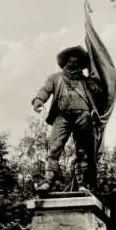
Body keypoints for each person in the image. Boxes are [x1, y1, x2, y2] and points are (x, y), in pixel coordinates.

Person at [32, 45, 106, 192]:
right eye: (71, 59)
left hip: (83, 116)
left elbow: (101, 94)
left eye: (77, 59)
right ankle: (48, 181)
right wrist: (38, 100)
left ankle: (82, 183)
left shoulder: (86, 81)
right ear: (65, 61)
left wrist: (96, 79)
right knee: (54, 148)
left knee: (82, 151)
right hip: (62, 116)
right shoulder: (55, 78)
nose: (73, 62)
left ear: (80, 63)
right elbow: (45, 90)